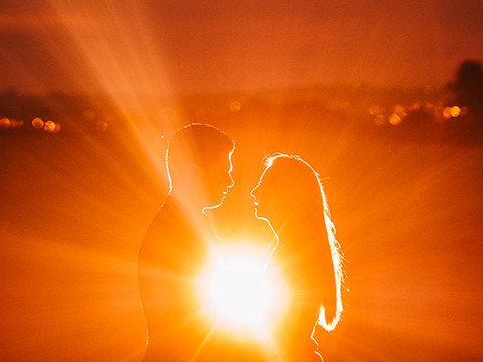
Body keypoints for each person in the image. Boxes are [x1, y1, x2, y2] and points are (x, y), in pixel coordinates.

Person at [138, 123, 236, 362]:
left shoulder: (186, 223)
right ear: (195, 173)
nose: (231, 181)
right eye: (224, 170)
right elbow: (199, 326)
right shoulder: (176, 234)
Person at [251, 154, 344, 362]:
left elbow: (283, 336)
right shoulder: (292, 251)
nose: (254, 191)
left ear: (284, 193)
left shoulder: (297, 257)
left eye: (263, 184)